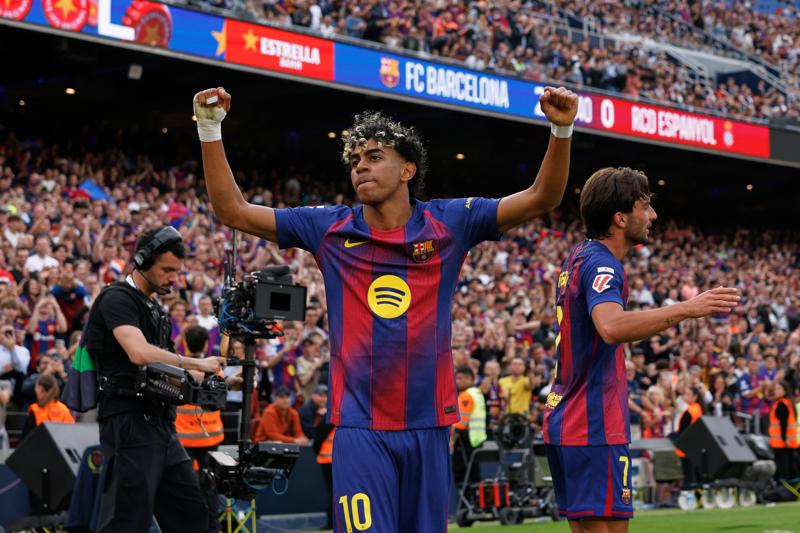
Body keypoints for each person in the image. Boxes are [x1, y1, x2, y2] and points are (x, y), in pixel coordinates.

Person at [194, 83, 578, 532]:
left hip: (430, 426)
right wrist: (210, 128)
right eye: (355, 160)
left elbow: (542, 197)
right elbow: (233, 211)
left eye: (374, 156)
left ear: (407, 170)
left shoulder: (451, 222)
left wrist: (561, 129)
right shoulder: (328, 228)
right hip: (360, 428)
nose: (360, 166)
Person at [542, 167, 739, 532]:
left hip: (572, 417)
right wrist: (688, 308)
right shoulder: (602, 264)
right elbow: (612, 327)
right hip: (592, 424)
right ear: (620, 218)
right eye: (644, 206)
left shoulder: (580, 256)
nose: (653, 215)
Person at [84, 226, 225, 533]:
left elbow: (173, 367)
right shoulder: (116, 298)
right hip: (128, 422)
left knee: (193, 513)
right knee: (128, 519)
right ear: (142, 260)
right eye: (167, 270)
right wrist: (196, 361)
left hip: (160, 425)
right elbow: (139, 353)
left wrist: (217, 376)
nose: (174, 278)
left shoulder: (155, 309)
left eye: (177, 271)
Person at [174, 325, 224, 533]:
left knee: (186, 489)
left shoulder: (178, 371)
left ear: (185, 343)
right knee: (209, 489)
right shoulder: (216, 370)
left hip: (185, 441)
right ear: (206, 344)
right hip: (211, 439)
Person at [452, 366, 487, 484]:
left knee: (463, 476)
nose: (457, 381)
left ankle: (465, 496)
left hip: (466, 440)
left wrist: (452, 441)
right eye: (456, 378)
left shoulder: (466, 396)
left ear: (469, 379)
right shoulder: (477, 393)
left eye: (460, 378)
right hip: (477, 439)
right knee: (474, 474)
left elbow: (460, 423)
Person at [21, 373, 74, 439]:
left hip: (41, 444)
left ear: (40, 388)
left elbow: (26, 438)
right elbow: (72, 433)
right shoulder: (65, 410)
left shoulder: (36, 410)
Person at [674, 386, 705, 487]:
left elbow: (683, 431)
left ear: (695, 397)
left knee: (689, 476)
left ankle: (690, 494)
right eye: (685, 394)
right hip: (696, 447)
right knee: (697, 475)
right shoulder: (699, 409)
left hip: (687, 448)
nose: (685, 396)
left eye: (688, 394)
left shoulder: (690, 411)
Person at [769, 381, 799, 480]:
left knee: (783, 468)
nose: (776, 391)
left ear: (785, 391)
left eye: (779, 389)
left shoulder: (781, 404)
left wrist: (784, 438)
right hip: (790, 442)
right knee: (791, 466)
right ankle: (792, 486)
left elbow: (783, 423)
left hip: (781, 442)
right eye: (775, 389)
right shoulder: (789, 403)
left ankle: (784, 486)